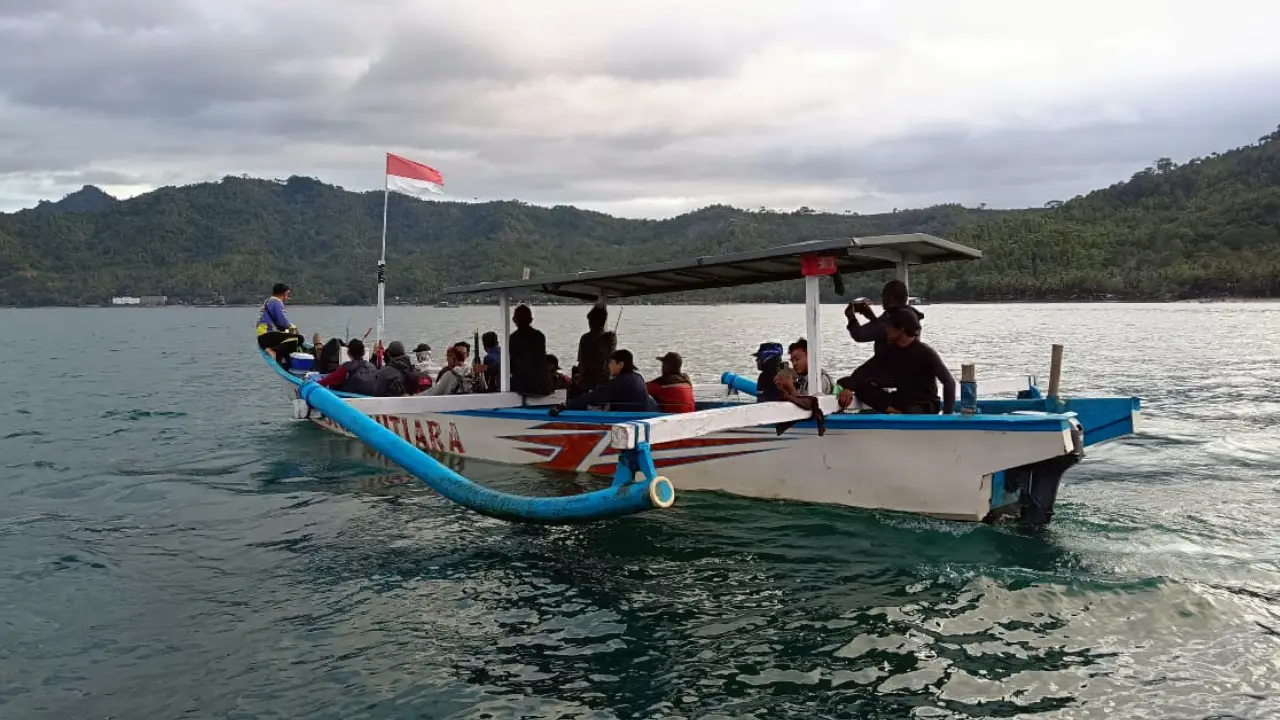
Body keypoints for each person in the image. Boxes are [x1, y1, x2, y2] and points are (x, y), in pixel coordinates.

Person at [837, 308, 955, 414]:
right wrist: (848, 389)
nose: (886, 329)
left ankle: (901, 414)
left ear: (901, 329)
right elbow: (864, 370)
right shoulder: (890, 351)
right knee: (855, 384)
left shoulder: (925, 353)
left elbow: (949, 382)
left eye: (890, 327)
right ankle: (894, 412)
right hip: (902, 399)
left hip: (924, 404)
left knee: (913, 410)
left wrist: (947, 416)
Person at [553, 349, 652, 413]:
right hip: (639, 414)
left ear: (621, 364)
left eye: (611, 363)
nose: (609, 366)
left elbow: (595, 397)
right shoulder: (638, 377)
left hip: (627, 419)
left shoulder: (620, 382)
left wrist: (567, 404)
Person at [845, 279, 924, 358]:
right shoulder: (911, 313)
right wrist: (872, 318)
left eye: (883, 295)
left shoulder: (892, 317)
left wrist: (851, 316)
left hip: (892, 366)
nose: (882, 298)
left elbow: (860, 335)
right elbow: (881, 330)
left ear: (890, 297)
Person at [508, 305, 552, 396]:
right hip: (541, 385)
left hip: (523, 386)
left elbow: (512, 362)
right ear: (531, 320)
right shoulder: (539, 336)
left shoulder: (513, 338)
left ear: (514, 320)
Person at [575, 305, 617, 396]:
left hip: (588, 383)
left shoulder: (586, 338)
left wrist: (578, 382)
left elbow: (583, 363)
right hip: (605, 381)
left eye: (590, 321)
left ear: (592, 322)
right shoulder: (611, 337)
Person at [255, 283, 301, 363]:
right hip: (267, 335)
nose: (287, 297)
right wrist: (293, 327)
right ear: (284, 293)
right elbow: (283, 322)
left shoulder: (269, 301)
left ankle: (274, 351)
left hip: (262, 337)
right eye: (287, 294)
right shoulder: (276, 302)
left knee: (289, 336)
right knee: (298, 338)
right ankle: (274, 351)